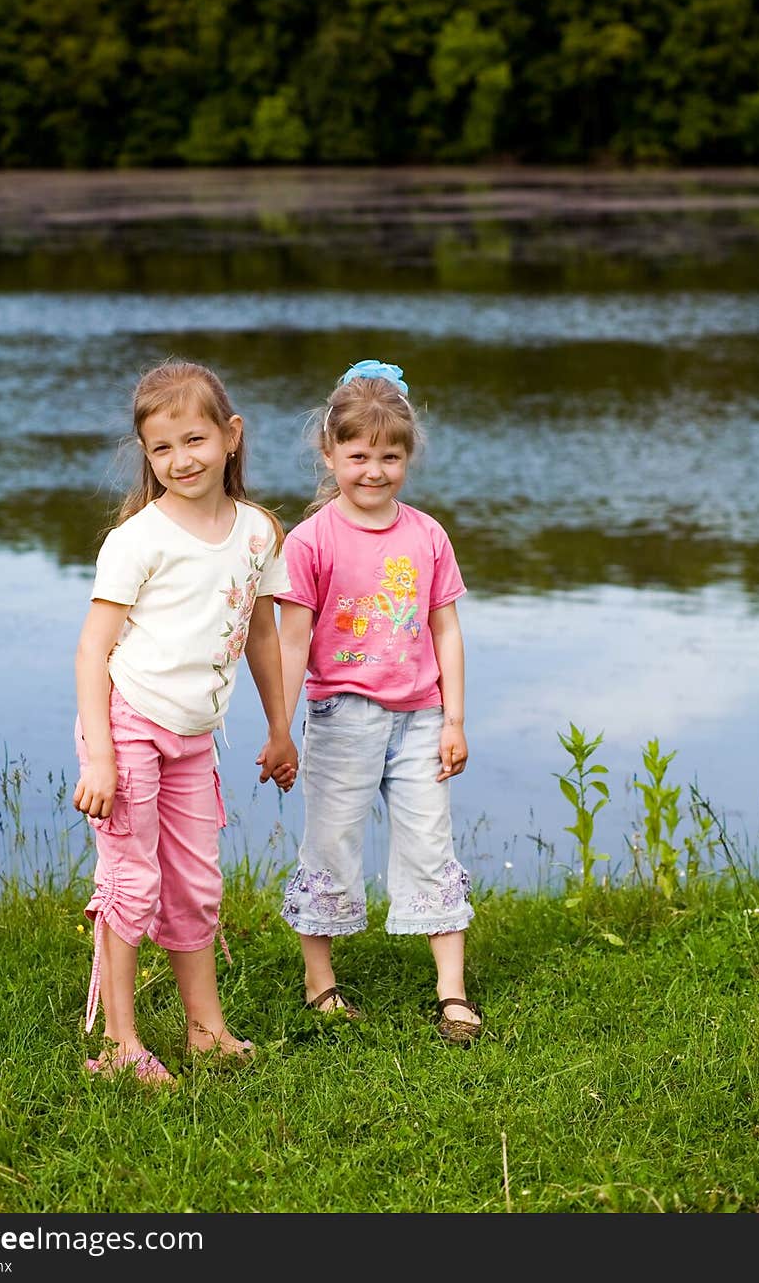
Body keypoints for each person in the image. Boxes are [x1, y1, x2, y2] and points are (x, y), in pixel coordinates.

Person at [73, 359, 298, 1085]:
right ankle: (118, 1045)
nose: (180, 460)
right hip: (129, 725)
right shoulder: (139, 539)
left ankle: (207, 1030)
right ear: (146, 453)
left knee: (197, 886)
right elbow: (92, 650)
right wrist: (100, 759)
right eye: (161, 448)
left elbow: (261, 635)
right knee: (130, 884)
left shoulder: (259, 532)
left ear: (232, 436)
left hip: (194, 737)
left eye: (195, 440)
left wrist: (279, 727)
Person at [276, 359, 482, 1044]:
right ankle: (319, 982)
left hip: (422, 716)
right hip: (341, 715)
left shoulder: (427, 536)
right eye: (358, 455)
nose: (373, 470)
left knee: (430, 840)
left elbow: (445, 627)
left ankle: (451, 992)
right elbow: (293, 637)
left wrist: (454, 719)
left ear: (407, 457)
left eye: (389, 456)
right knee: (331, 841)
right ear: (329, 453)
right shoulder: (310, 542)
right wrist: (281, 728)